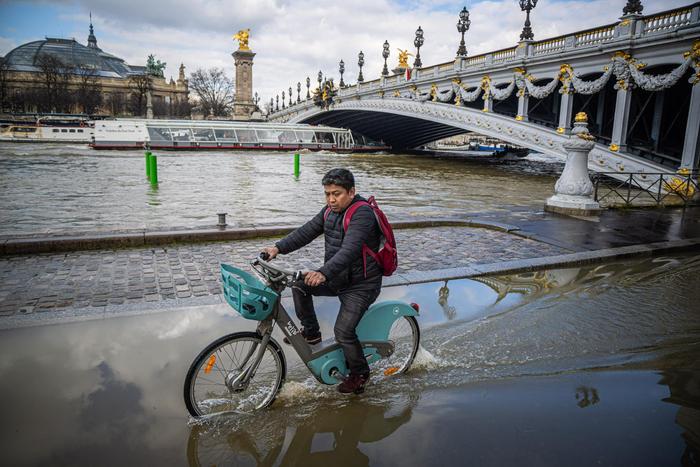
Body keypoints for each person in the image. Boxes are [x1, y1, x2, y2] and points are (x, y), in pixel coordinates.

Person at [262, 168, 382, 394]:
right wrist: (278, 247)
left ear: (352, 191)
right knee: (299, 285)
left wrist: (323, 272)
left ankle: (360, 373)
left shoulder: (362, 214)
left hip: (361, 285)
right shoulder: (329, 211)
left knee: (344, 332)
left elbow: (350, 250)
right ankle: (312, 332)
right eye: (327, 194)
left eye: (336, 194)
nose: (331, 199)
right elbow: (307, 231)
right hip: (338, 278)